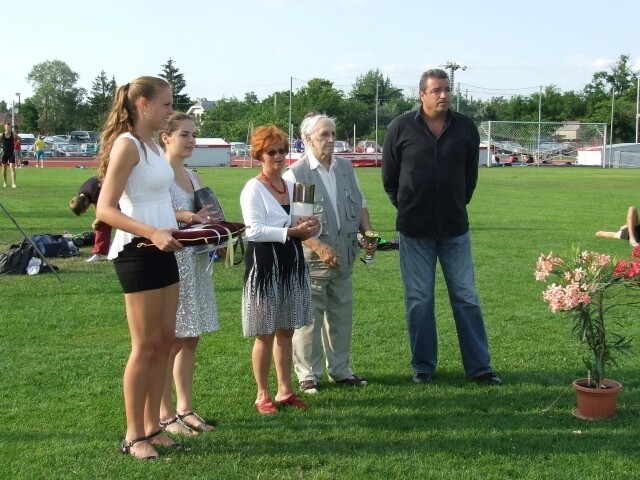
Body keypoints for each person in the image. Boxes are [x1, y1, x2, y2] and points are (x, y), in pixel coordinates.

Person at [381, 68, 501, 386]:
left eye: (447, 89)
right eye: (437, 90)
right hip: (414, 231)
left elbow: (469, 179)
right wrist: (410, 207)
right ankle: (423, 366)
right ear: (422, 95)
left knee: (466, 297)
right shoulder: (400, 127)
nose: (444, 95)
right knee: (419, 300)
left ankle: (480, 368)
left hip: (454, 229)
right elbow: (390, 180)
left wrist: (453, 205)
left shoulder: (465, 128)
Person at [95, 76, 184, 460]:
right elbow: (105, 209)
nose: (170, 111)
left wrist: (183, 221)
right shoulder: (127, 144)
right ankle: (134, 436)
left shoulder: (150, 143)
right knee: (145, 346)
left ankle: (152, 426)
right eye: (165, 105)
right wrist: (152, 232)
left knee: (165, 342)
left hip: (164, 248)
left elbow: (155, 198)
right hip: (137, 250)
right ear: (143, 105)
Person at [283, 113, 375, 394]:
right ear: (308, 139)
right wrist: (320, 247)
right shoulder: (299, 174)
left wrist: (368, 234)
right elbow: (299, 222)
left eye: (333, 133)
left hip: (344, 257)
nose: (331, 139)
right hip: (313, 261)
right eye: (324, 134)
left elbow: (360, 204)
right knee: (309, 320)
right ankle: (308, 374)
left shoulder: (345, 167)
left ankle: (340, 370)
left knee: (341, 317)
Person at [240, 124, 320, 415]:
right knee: (265, 332)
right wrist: (292, 232)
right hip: (264, 265)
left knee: (286, 330)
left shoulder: (291, 186)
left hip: (291, 261)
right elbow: (254, 230)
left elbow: (302, 221)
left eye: (282, 151)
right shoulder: (253, 188)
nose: (278, 156)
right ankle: (262, 394)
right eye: (271, 152)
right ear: (259, 155)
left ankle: (285, 390)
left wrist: (312, 227)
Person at [158, 112, 219, 435]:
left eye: (193, 134)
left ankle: (185, 407)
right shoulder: (158, 175)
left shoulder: (194, 177)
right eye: (184, 134)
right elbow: (152, 213)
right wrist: (188, 216)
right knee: (170, 338)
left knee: (190, 337)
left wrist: (216, 227)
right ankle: (165, 413)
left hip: (196, 261)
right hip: (172, 262)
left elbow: (206, 215)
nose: (191, 140)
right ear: (165, 137)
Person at [69, 176, 112, 262]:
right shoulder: (83, 193)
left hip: (119, 192)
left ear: (85, 203)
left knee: (103, 224)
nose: (87, 210)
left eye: (85, 209)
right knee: (101, 222)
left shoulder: (94, 193)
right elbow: (96, 204)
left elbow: (104, 206)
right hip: (109, 189)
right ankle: (99, 252)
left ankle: (99, 253)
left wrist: (98, 220)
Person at [2, 122, 18, 188]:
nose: (8, 128)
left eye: (9, 127)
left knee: (12, 168)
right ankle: (5, 182)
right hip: (4, 154)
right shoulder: (2, 134)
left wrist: (16, 143)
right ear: (5, 127)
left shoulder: (13, 134)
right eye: (7, 127)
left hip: (11, 153)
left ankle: (13, 184)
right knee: (4, 170)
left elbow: (20, 139)